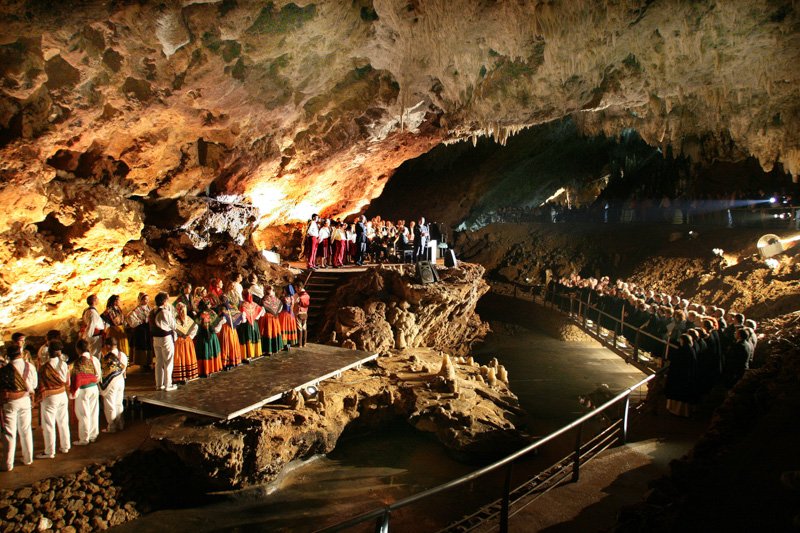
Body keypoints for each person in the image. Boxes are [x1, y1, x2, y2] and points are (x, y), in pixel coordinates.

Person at [0, 345, 37, 470]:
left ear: (8, 356)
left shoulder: (4, 370)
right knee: (26, 430)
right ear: (20, 353)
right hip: (25, 400)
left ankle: (8, 464)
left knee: (10, 433)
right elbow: (34, 385)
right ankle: (28, 459)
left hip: (10, 402)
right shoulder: (29, 367)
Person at [36, 341, 70, 459]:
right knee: (63, 421)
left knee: (49, 424)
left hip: (50, 397)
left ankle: (49, 451)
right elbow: (67, 381)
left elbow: (39, 384)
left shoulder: (44, 368)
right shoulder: (64, 364)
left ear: (49, 352)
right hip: (62, 394)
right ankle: (65, 446)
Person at [70, 339, 101, 445]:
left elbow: (75, 379)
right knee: (93, 412)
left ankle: (84, 439)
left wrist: (73, 392)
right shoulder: (94, 359)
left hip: (83, 390)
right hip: (94, 388)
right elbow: (98, 375)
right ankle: (93, 435)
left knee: (83, 414)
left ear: (78, 349)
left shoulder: (77, 362)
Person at [99, 337, 127, 434]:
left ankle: (112, 426)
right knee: (119, 403)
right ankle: (120, 424)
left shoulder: (106, 357)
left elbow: (102, 372)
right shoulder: (122, 355)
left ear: (108, 346)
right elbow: (123, 368)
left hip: (111, 383)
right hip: (120, 381)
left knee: (110, 405)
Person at [150, 292, 177, 391]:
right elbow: (174, 325)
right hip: (165, 338)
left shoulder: (152, 311)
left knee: (158, 361)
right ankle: (168, 385)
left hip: (155, 339)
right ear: (164, 301)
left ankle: (158, 384)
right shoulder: (165, 312)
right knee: (168, 361)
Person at [665, 333, 697, 417]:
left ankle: (675, 411)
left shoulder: (682, 351)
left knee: (677, 394)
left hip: (679, 376)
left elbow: (676, 363)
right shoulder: (691, 350)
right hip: (686, 376)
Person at [194, 303, 224, 378]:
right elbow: (217, 324)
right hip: (206, 337)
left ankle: (206, 370)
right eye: (207, 304)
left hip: (204, 337)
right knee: (207, 352)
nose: (209, 305)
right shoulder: (210, 313)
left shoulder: (202, 315)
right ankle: (210, 369)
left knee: (205, 352)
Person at [173, 302, 199, 383]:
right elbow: (173, 330)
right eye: (180, 310)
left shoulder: (188, 319)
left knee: (188, 357)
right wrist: (176, 339)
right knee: (180, 358)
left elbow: (195, 327)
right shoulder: (174, 320)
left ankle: (189, 374)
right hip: (178, 343)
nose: (182, 312)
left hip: (187, 342)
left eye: (183, 310)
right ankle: (180, 376)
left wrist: (190, 337)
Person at [126, 293, 152, 368]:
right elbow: (130, 318)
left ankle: (148, 362)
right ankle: (142, 363)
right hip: (140, 331)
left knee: (148, 346)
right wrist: (140, 322)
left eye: (147, 299)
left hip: (147, 330)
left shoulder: (149, 308)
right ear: (141, 300)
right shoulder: (136, 310)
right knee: (142, 346)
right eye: (144, 299)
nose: (146, 301)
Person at [217, 299, 243, 369]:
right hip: (226, 329)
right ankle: (226, 362)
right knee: (226, 345)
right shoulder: (222, 309)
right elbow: (219, 317)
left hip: (231, 329)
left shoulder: (231, 309)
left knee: (231, 344)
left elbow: (237, 316)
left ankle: (232, 360)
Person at [238, 290, 264, 360]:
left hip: (246, 324)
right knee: (253, 336)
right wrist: (255, 317)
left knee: (247, 337)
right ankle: (255, 352)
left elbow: (242, 316)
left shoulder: (243, 305)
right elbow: (261, 311)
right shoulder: (254, 304)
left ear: (243, 296)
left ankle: (248, 354)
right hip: (254, 324)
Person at [260, 286, 285, 355]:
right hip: (274, 317)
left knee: (268, 332)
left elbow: (262, 308)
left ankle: (268, 350)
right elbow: (280, 307)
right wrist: (276, 312)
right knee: (274, 332)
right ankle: (275, 348)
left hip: (267, 318)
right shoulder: (276, 299)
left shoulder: (264, 299)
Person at [294, 283, 311, 348]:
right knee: (304, 328)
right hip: (305, 313)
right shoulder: (307, 295)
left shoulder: (298, 295)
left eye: (296, 288)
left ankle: (300, 344)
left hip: (299, 313)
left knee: (299, 328)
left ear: (299, 287)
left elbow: (295, 304)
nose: (295, 289)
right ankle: (305, 343)